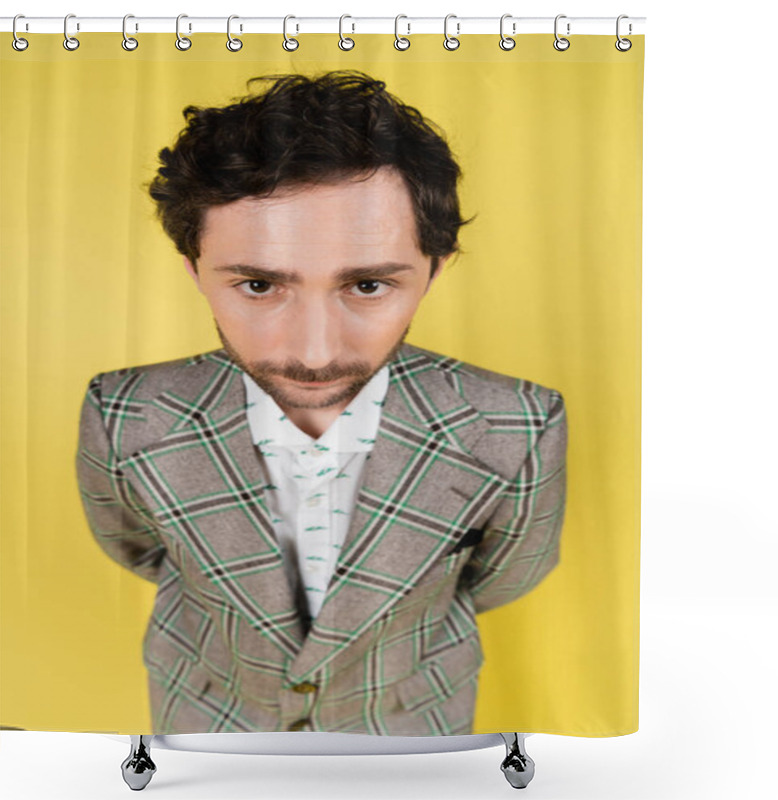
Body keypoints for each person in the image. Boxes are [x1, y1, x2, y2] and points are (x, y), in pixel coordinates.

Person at [75, 71, 567, 737]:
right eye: (257, 284)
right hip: (206, 722)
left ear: (434, 272)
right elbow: (137, 547)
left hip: (411, 727)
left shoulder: (522, 424)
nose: (312, 352)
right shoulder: (122, 412)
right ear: (194, 270)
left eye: (367, 285)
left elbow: (502, 577)